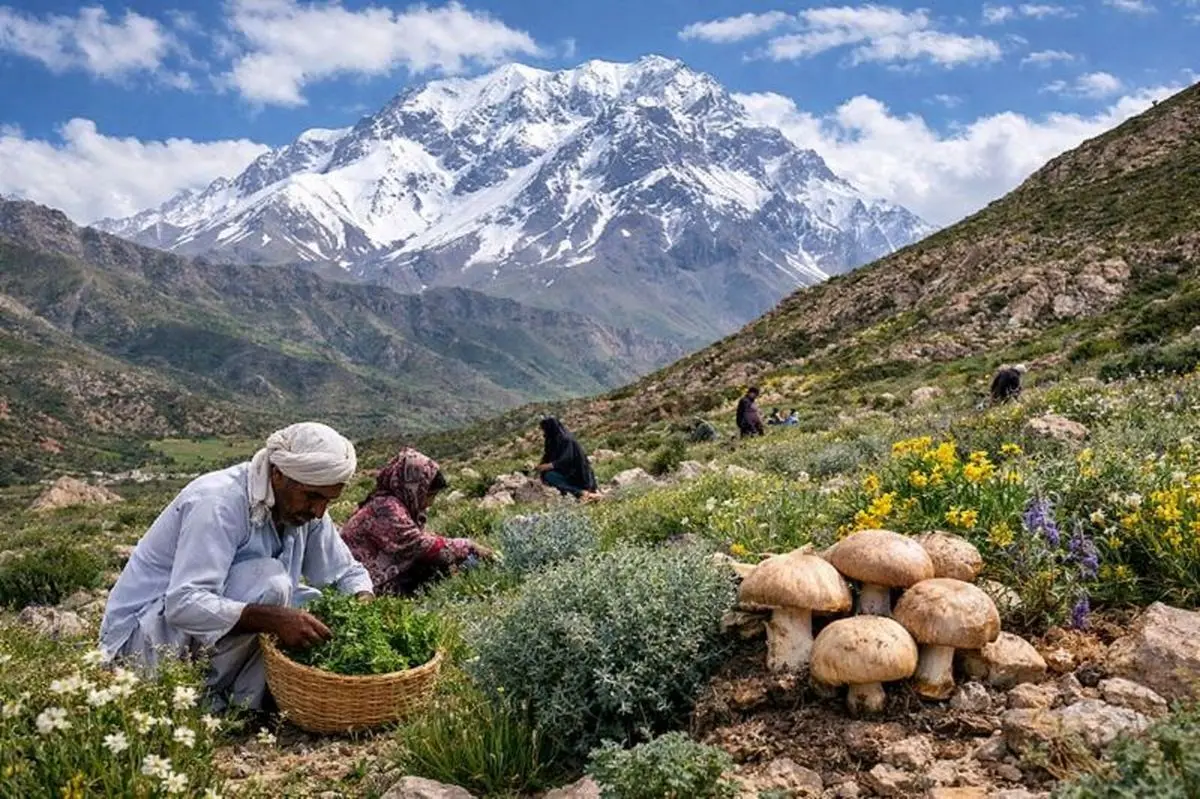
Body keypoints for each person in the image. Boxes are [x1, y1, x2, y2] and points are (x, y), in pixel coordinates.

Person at [98, 422, 374, 712]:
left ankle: (247, 697)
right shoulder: (219, 502)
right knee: (273, 586)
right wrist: (273, 619)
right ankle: (212, 701)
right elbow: (183, 603)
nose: (319, 511)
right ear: (279, 476)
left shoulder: (304, 511)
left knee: (312, 604)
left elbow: (345, 574)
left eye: (328, 501)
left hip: (190, 632)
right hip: (143, 646)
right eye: (313, 497)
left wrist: (362, 603)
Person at [340, 447, 495, 596]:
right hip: (362, 584)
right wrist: (469, 546)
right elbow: (420, 545)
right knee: (440, 564)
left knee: (444, 561)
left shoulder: (389, 502)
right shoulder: (386, 508)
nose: (430, 503)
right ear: (415, 488)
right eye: (429, 495)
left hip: (369, 574)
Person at [534, 417, 600, 500]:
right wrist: (540, 466)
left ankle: (581, 492)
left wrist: (548, 466)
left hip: (579, 476)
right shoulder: (552, 440)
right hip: (565, 473)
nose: (543, 432)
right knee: (545, 475)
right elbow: (548, 455)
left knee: (549, 476)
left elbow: (566, 460)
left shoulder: (566, 440)